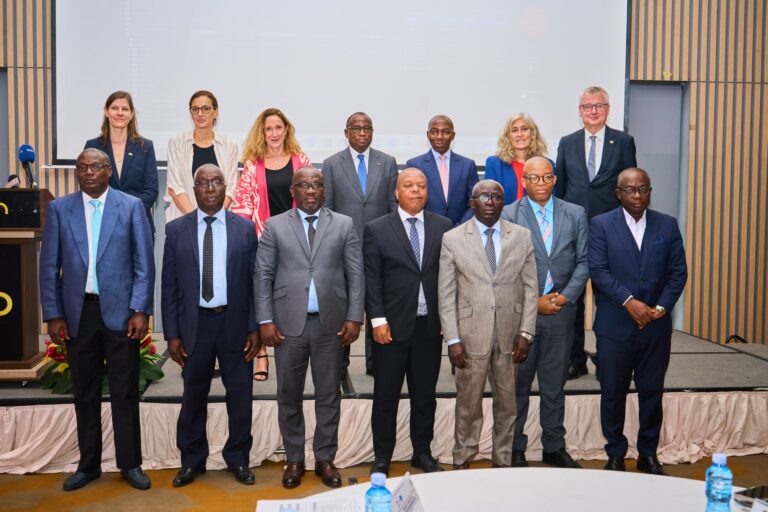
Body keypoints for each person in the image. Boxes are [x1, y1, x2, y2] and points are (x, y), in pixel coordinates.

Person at [39, 148, 154, 491]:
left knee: (124, 392)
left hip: (121, 315)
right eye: (82, 167)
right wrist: (54, 314)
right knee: (84, 393)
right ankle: (88, 465)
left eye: (95, 167)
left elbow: (143, 264)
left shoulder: (131, 206)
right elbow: (48, 267)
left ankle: (130, 464)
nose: (88, 172)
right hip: (78, 315)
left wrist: (140, 309)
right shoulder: (61, 208)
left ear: (108, 171)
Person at [255, 166, 364, 489]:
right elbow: (262, 275)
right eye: (304, 185)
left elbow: (356, 275)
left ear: (324, 190)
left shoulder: (344, 225)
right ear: (293, 190)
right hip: (287, 327)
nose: (311, 190)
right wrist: (265, 320)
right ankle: (294, 459)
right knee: (288, 394)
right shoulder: (275, 226)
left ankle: (325, 458)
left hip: (332, 326)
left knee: (328, 394)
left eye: (317, 185)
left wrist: (354, 316)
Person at [161, 164, 259, 487]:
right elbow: (170, 286)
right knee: (193, 395)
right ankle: (192, 461)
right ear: (195, 189)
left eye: (217, 182)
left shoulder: (244, 229)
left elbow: (254, 283)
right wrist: (172, 333)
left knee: (240, 395)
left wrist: (254, 328)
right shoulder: (176, 231)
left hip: (234, 323)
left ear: (225, 186)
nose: (211, 188)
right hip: (195, 326)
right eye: (204, 183)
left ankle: (238, 459)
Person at [589, 168, 687, 475]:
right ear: (618, 193)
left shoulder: (667, 225)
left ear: (649, 191)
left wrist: (659, 308)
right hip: (615, 325)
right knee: (612, 393)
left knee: (651, 392)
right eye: (630, 190)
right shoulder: (601, 224)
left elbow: (677, 273)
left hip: (654, 327)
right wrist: (630, 302)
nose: (637, 196)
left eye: (643, 189)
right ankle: (615, 453)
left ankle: (648, 454)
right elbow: (599, 271)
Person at [438, 179, 538, 469]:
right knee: (468, 405)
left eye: (497, 197)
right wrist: (453, 339)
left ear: (503, 203)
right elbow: (446, 293)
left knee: (507, 404)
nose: (491, 201)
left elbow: (532, 288)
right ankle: (463, 458)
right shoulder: (453, 238)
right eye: (484, 196)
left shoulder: (521, 236)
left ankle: (503, 460)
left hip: (511, 334)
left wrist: (526, 331)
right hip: (470, 337)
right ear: (472, 202)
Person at [364, 168, 453, 477]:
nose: (416, 190)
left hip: (429, 328)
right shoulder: (377, 229)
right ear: (396, 192)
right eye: (409, 186)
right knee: (385, 397)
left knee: (425, 396)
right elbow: (371, 280)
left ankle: (422, 452)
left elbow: (448, 277)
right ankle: (382, 457)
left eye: (421, 186)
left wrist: (447, 318)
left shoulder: (444, 226)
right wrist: (377, 320)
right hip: (391, 328)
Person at [501, 157, 588, 469]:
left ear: (554, 179)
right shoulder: (509, 214)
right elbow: (503, 267)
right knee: (518, 387)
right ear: (524, 181)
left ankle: (554, 446)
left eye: (545, 177)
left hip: (562, 313)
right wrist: (533, 301)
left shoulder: (575, 212)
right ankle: (514, 447)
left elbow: (583, 261)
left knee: (554, 387)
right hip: (522, 314)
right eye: (533, 178)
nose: (540, 183)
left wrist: (564, 298)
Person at [555, 86, 638, 380]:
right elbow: (561, 191)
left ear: (608, 109)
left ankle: (608, 360)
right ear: (579, 111)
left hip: (610, 232)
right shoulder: (566, 143)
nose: (593, 111)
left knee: (609, 299)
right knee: (572, 299)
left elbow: (631, 188)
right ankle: (575, 360)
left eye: (599, 105)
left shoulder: (624, 141)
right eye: (588, 106)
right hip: (573, 234)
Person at [232, 108, 311, 382]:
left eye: (279, 127)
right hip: (262, 238)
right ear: (262, 133)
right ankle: (262, 355)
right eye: (269, 129)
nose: (274, 133)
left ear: (286, 129)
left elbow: (311, 198)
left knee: (291, 293)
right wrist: (247, 239)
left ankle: (293, 350)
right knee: (262, 294)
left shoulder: (301, 161)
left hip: (296, 239)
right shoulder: (253, 164)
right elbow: (242, 204)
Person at [321, 112, 398, 376]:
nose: (362, 132)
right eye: (356, 128)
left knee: (376, 302)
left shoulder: (387, 163)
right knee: (343, 305)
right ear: (346, 132)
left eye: (367, 128)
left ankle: (374, 363)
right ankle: (339, 364)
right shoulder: (331, 164)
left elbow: (392, 207)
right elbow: (327, 209)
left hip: (379, 246)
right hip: (344, 246)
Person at [84, 91, 158, 232]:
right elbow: (88, 187)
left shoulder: (145, 147)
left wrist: (127, 211)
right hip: (102, 223)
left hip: (138, 223)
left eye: (125, 109)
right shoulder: (92, 147)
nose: (120, 113)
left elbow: (151, 191)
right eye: (114, 108)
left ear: (131, 115)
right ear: (106, 111)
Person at [166, 90, 240, 223]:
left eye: (206, 109)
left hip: (220, 222)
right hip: (184, 220)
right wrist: (197, 219)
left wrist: (214, 218)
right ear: (190, 113)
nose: (200, 114)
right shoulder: (176, 142)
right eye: (195, 109)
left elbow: (231, 188)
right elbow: (175, 187)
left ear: (216, 112)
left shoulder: (229, 144)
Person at [405, 115, 478, 225]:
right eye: (434, 132)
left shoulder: (468, 165)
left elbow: (474, 203)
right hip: (426, 230)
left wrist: (459, 227)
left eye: (445, 132)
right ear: (428, 135)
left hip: (460, 231)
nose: (439, 137)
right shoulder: (414, 164)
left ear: (453, 135)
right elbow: (411, 202)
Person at [485, 113, 551, 205]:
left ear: (533, 133)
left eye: (524, 129)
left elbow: (550, 200)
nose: (520, 134)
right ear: (508, 136)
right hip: (503, 217)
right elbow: (490, 200)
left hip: (537, 218)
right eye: (514, 130)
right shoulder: (494, 163)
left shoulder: (547, 165)